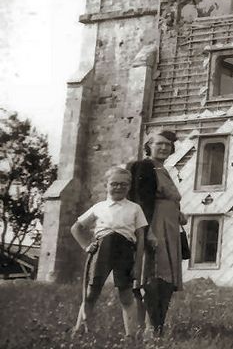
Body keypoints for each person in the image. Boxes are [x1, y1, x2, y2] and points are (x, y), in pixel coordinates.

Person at [71, 166, 147, 337]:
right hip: (101, 251)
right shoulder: (99, 207)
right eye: (114, 184)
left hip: (125, 252)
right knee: (91, 293)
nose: (119, 187)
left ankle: (131, 336)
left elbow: (141, 237)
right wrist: (86, 246)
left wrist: (138, 264)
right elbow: (76, 228)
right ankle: (80, 330)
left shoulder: (135, 208)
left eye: (124, 184)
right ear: (106, 185)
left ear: (129, 186)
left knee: (126, 295)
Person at [127, 130, 186, 338]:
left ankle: (158, 326)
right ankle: (151, 327)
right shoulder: (145, 166)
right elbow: (141, 201)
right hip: (155, 227)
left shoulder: (163, 169)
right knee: (154, 276)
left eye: (168, 145)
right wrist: (147, 231)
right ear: (148, 146)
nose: (163, 147)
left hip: (170, 227)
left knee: (167, 279)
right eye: (159, 144)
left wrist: (178, 212)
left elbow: (167, 198)